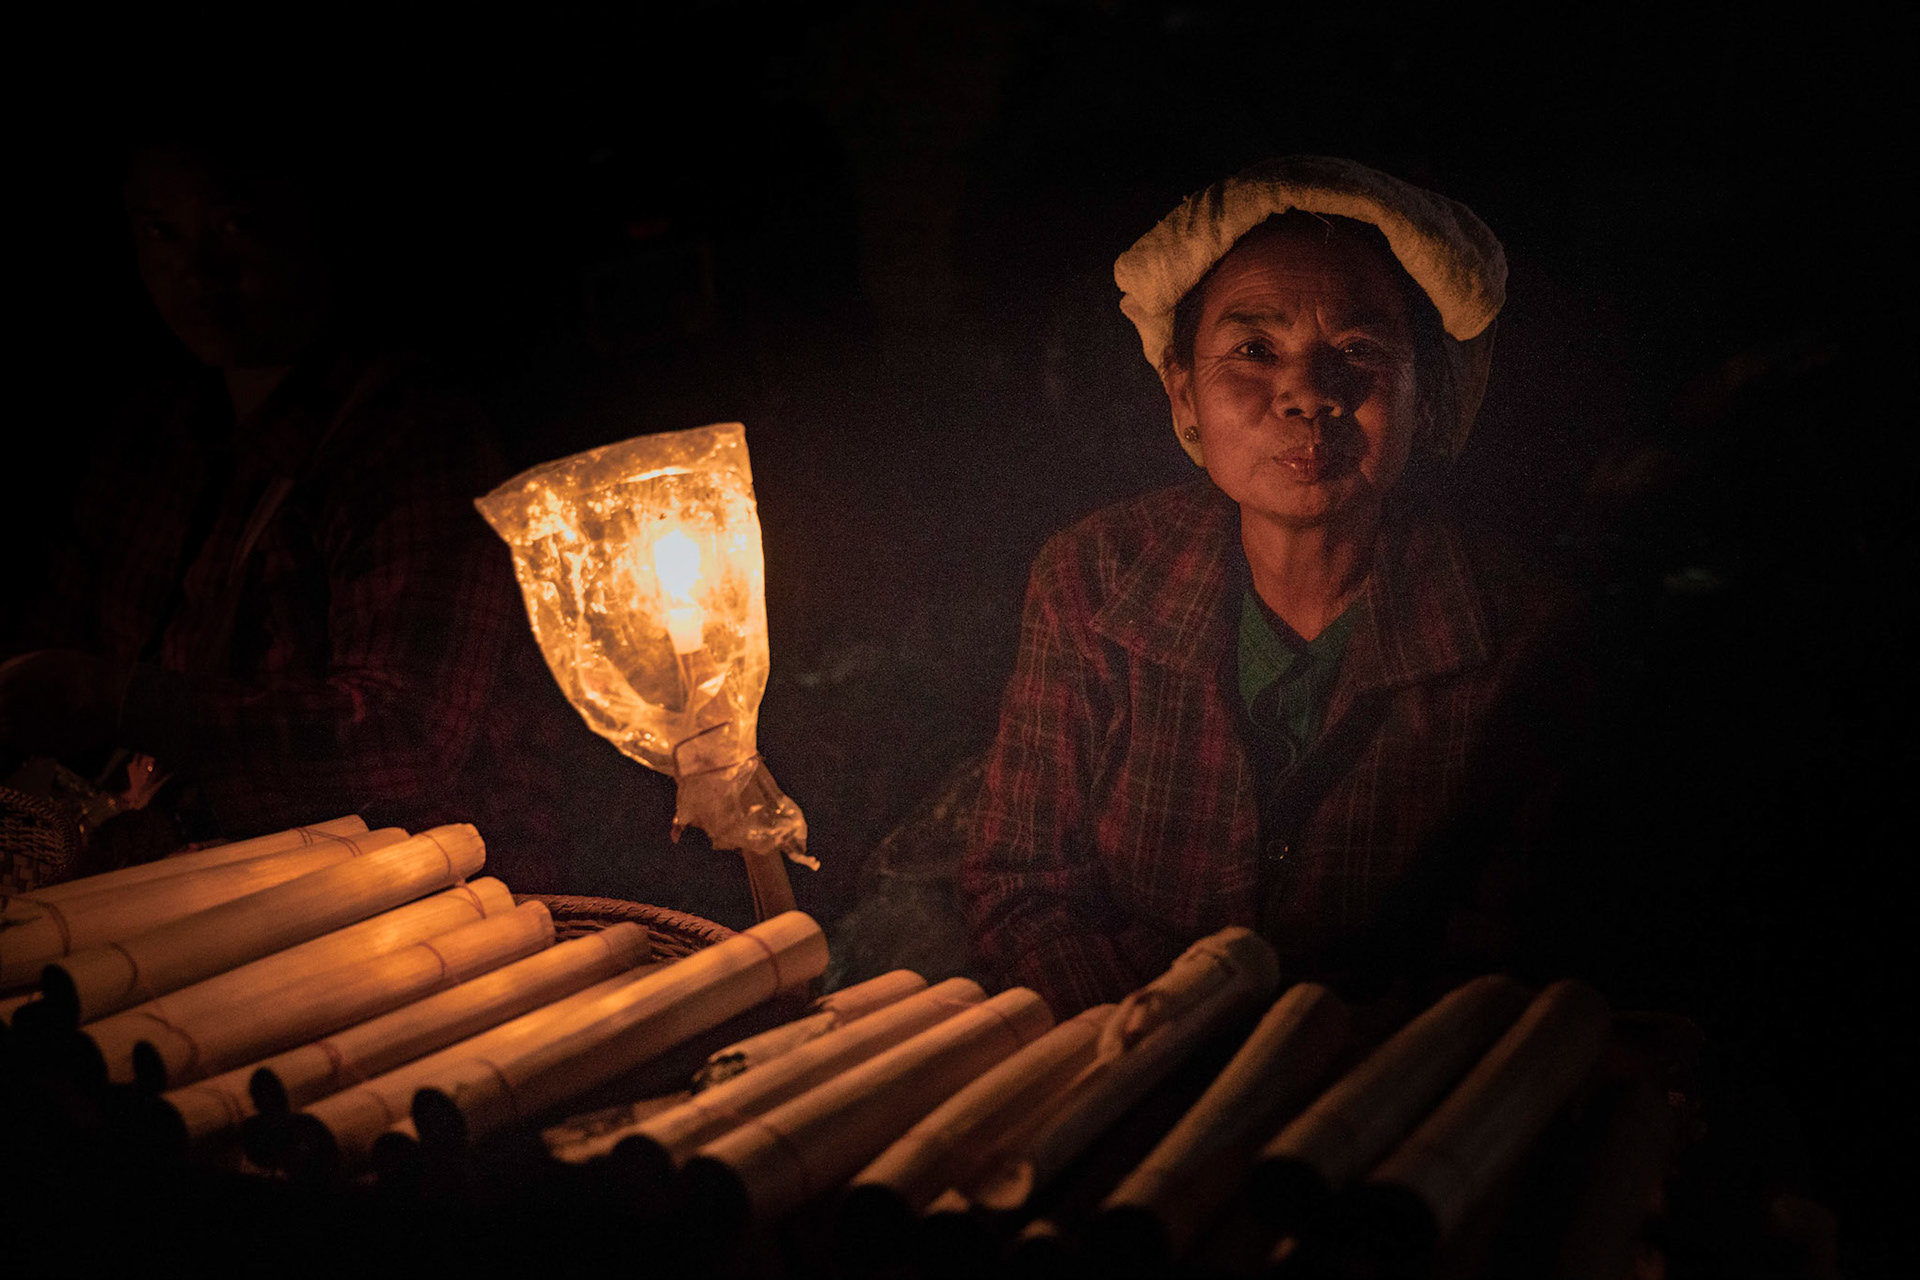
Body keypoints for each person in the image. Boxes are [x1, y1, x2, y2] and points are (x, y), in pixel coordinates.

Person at [961, 156, 1589, 1016]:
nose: (1307, 393)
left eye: (1359, 351)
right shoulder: (1097, 577)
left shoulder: (1520, 636)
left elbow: (1508, 964)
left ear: (1427, 401)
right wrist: (1153, 1056)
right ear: (1184, 398)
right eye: (1254, 350)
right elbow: (1020, 886)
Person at [0, 121, 645, 892]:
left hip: (411, 904)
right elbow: (50, 627)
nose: (198, 272)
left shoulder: (405, 436)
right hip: (192, 894)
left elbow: (409, 735)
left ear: (315, 219)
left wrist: (122, 700)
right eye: (160, 232)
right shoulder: (150, 439)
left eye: (236, 225)